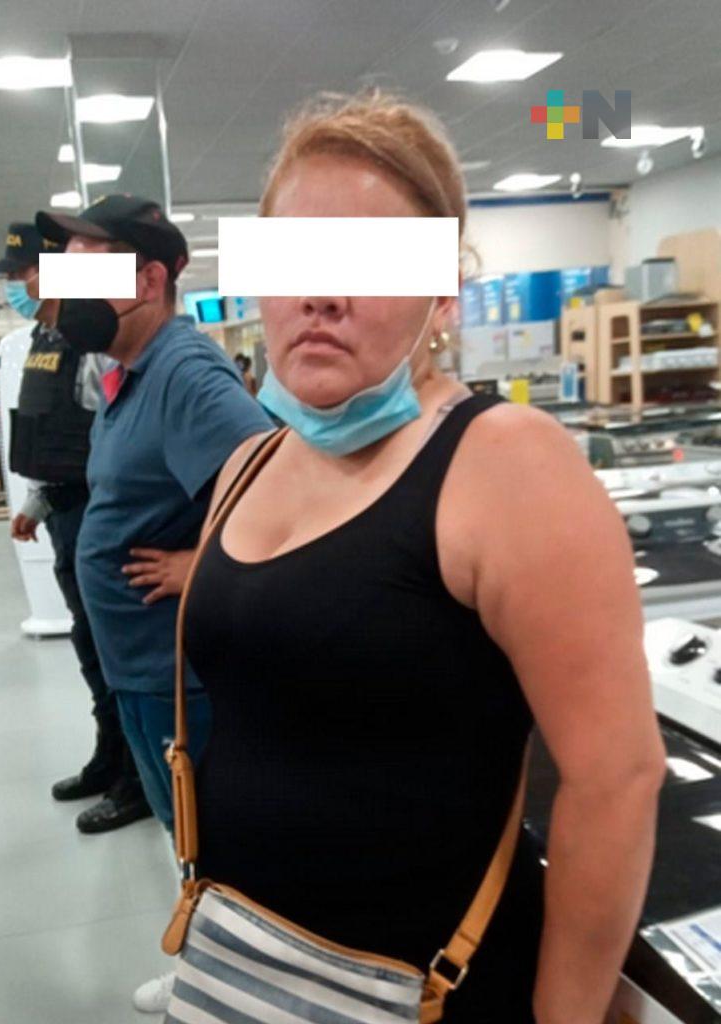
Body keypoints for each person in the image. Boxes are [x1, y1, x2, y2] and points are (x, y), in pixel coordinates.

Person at [178, 91, 668, 1024]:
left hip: (432, 988)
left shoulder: (505, 462)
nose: (321, 295)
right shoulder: (248, 464)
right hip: (246, 962)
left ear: (443, 294)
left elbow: (617, 778)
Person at [34, 193, 273, 1012]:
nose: (67, 297)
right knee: (188, 838)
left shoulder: (184, 372)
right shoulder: (130, 375)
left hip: (184, 680)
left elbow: (278, 489)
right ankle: (210, 961)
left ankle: (244, 987)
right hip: (141, 671)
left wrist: (199, 563)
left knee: (220, 843)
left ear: (150, 281)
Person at [0, 222, 150, 835]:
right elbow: (52, 432)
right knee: (88, 644)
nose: (16, 284)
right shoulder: (44, 338)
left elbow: (116, 440)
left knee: (114, 648)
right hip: (64, 512)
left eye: (23, 271)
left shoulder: (95, 345)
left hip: (99, 514)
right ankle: (110, 756)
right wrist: (36, 501)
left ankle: (138, 777)